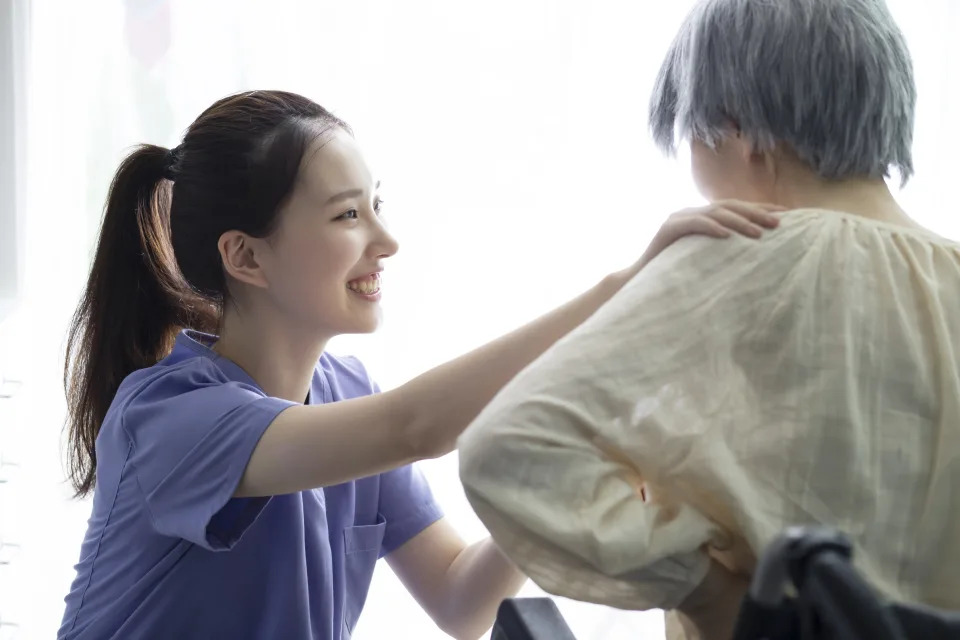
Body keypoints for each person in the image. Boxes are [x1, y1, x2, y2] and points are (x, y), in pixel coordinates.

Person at [57, 90, 779, 640]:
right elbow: (415, 427)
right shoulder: (171, 417)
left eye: (376, 205)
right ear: (245, 256)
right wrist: (619, 293)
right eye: (347, 216)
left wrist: (596, 467)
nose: (386, 240)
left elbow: (464, 599)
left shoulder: (345, 394)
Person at [457, 1, 960, 639]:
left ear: (737, 128)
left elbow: (507, 452)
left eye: (691, 135)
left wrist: (708, 593)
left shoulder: (741, 251)